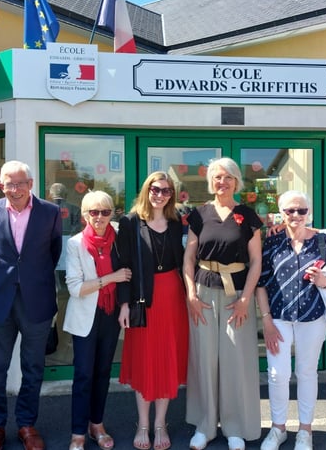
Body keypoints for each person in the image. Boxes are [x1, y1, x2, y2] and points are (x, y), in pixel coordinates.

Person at [0, 160, 62, 450]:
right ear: (1, 186)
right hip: (0, 301)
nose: (15, 189)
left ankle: (27, 423)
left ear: (31, 184)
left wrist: (31, 279)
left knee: (33, 368)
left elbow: (53, 252)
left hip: (36, 301)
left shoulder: (50, 212)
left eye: (21, 183)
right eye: (9, 184)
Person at [183, 157, 263, 450]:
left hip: (237, 295)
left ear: (236, 181)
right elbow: (189, 258)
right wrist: (190, 294)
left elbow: (256, 261)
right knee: (204, 358)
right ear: (211, 182)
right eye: (217, 177)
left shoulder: (248, 216)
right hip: (203, 293)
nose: (222, 182)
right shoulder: (198, 214)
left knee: (235, 361)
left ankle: (235, 427)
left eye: (228, 177)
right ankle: (205, 425)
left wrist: (246, 299)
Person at [256, 191, 326, 450]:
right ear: (281, 213)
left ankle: (305, 430)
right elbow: (261, 283)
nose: (296, 215)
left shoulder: (322, 242)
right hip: (278, 317)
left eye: (301, 210)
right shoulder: (271, 242)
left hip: (312, 317)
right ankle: (278, 428)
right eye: (290, 211)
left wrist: (323, 281)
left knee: (306, 372)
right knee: (277, 374)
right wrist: (267, 321)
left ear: (309, 213)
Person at [116, 171, 189, 450]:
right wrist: (124, 304)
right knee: (146, 360)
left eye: (167, 191)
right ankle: (143, 424)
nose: (160, 195)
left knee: (167, 359)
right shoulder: (130, 222)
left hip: (172, 296)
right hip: (143, 297)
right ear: (147, 190)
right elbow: (123, 265)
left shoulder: (175, 222)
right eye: (156, 189)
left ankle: (160, 423)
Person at [63, 191, 132, 450]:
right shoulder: (76, 244)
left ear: (112, 213)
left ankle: (97, 424)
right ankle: (78, 432)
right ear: (84, 215)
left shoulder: (118, 240)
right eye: (94, 212)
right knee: (83, 375)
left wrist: (123, 303)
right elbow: (75, 288)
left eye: (105, 212)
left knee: (103, 372)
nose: (100, 217)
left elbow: (129, 275)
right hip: (85, 317)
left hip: (110, 315)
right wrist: (111, 278)